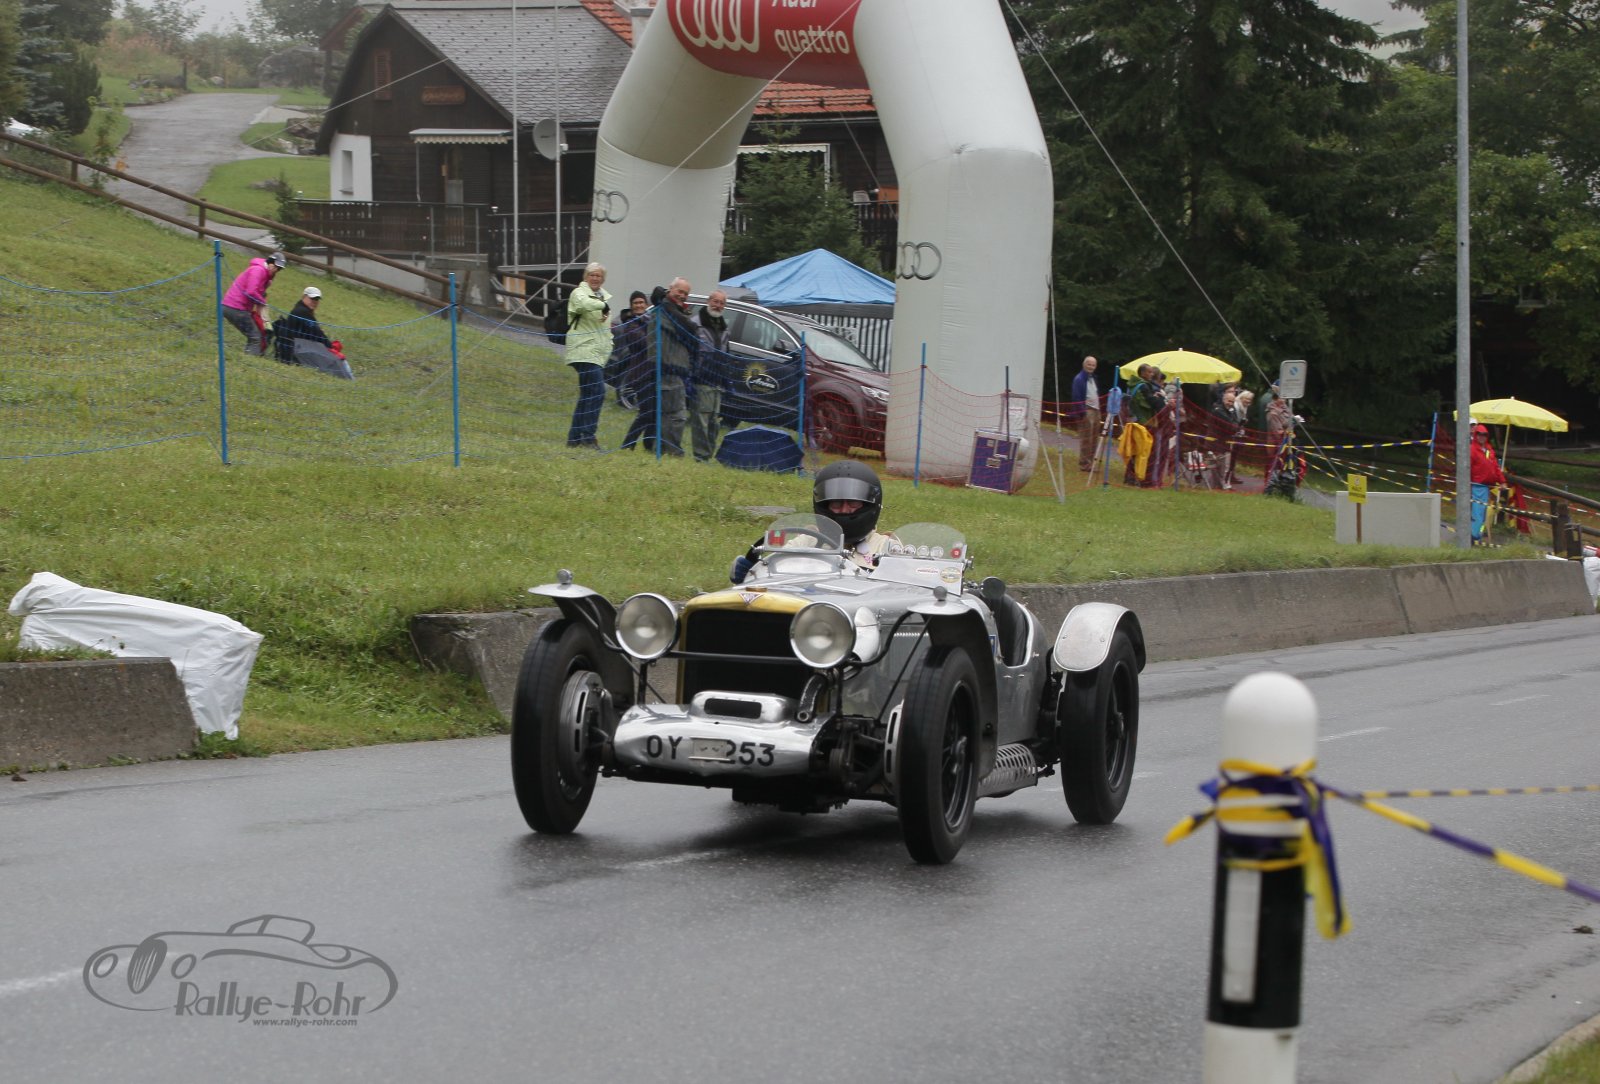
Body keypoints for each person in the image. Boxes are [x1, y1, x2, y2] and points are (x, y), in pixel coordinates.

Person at [730, 460, 896, 584]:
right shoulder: (807, 541)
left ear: (870, 505)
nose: (845, 510)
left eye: (853, 503)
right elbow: (775, 570)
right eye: (836, 503)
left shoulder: (886, 547)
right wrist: (753, 571)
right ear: (823, 505)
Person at [629, 277, 696, 456]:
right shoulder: (663, 310)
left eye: (686, 293)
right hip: (667, 368)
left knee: (665, 413)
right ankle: (671, 451)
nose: (682, 295)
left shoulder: (675, 310)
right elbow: (687, 332)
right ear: (670, 289)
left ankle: (659, 448)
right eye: (679, 291)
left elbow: (690, 333)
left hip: (675, 369)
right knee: (675, 414)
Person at [565, 262, 614, 449]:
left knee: (587, 395)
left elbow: (605, 330)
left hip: (597, 354)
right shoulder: (578, 293)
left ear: (603, 279)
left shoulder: (603, 298)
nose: (595, 278)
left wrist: (609, 345)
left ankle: (574, 438)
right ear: (585, 277)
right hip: (583, 350)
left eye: (598, 276)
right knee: (598, 391)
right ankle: (588, 436)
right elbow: (584, 305)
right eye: (592, 275)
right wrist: (603, 305)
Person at [271, 286, 353, 379]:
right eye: (312, 298)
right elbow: (317, 333)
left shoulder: (301, 309)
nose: (314, 302)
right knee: (337, 359)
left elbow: (314, 332)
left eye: (317, 299)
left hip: (297, 346)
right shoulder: (302, 312)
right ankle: (347, 378)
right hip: (297, 347)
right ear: (304, 297)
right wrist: (330, 346)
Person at [691, 290, 732, 462]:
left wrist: (727, 381)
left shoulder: (724, 328)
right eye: (715, 301)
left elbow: (726, 354)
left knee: (714, 422)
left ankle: (708, 454)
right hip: (701, 379)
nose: (718, 305)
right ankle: (701, 456)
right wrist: (691, 376)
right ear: (708, 301)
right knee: (702, 419)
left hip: (718, 381)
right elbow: (690, 351)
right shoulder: (696, 324)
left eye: (722, 303)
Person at [221, 250, 286, 355]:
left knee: (255, 335)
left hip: (234, 306)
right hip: (235, 307)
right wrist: (263, 302)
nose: (276, 270)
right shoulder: (258, 270)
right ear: (270, 262)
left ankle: (249, 356)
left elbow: (257, 291)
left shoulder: (264, 274)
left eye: (279, 269)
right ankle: (248, 361)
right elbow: (251, 291)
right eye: (275, 266)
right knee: (255, 337)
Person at [1469, 421, 1506, 543]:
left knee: (1484, 513)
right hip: (1477, 485)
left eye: (1484, 435)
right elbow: (1467, 467)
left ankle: (1478, 535)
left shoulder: (1489, 449)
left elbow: (1495, 467)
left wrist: (1502, 481)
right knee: (1478, 512)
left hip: (1486, 487)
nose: (1482, 437)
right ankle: (1473, 536)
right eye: (1479, 434)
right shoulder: (1472, 450)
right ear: (1476, 435)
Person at [1070, 355, 1102, 471]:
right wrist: (1082, 413)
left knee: (1094, 438)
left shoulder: (1093, 378)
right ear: (1084, 364)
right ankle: (1084, 463)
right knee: (1086, 438)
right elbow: (1076, 397)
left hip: (1096, 410)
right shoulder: (1079, 379)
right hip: (1086, 411)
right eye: (1089, 364)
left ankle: (1091, 462)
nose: (1091, 367)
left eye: (1093, 365)